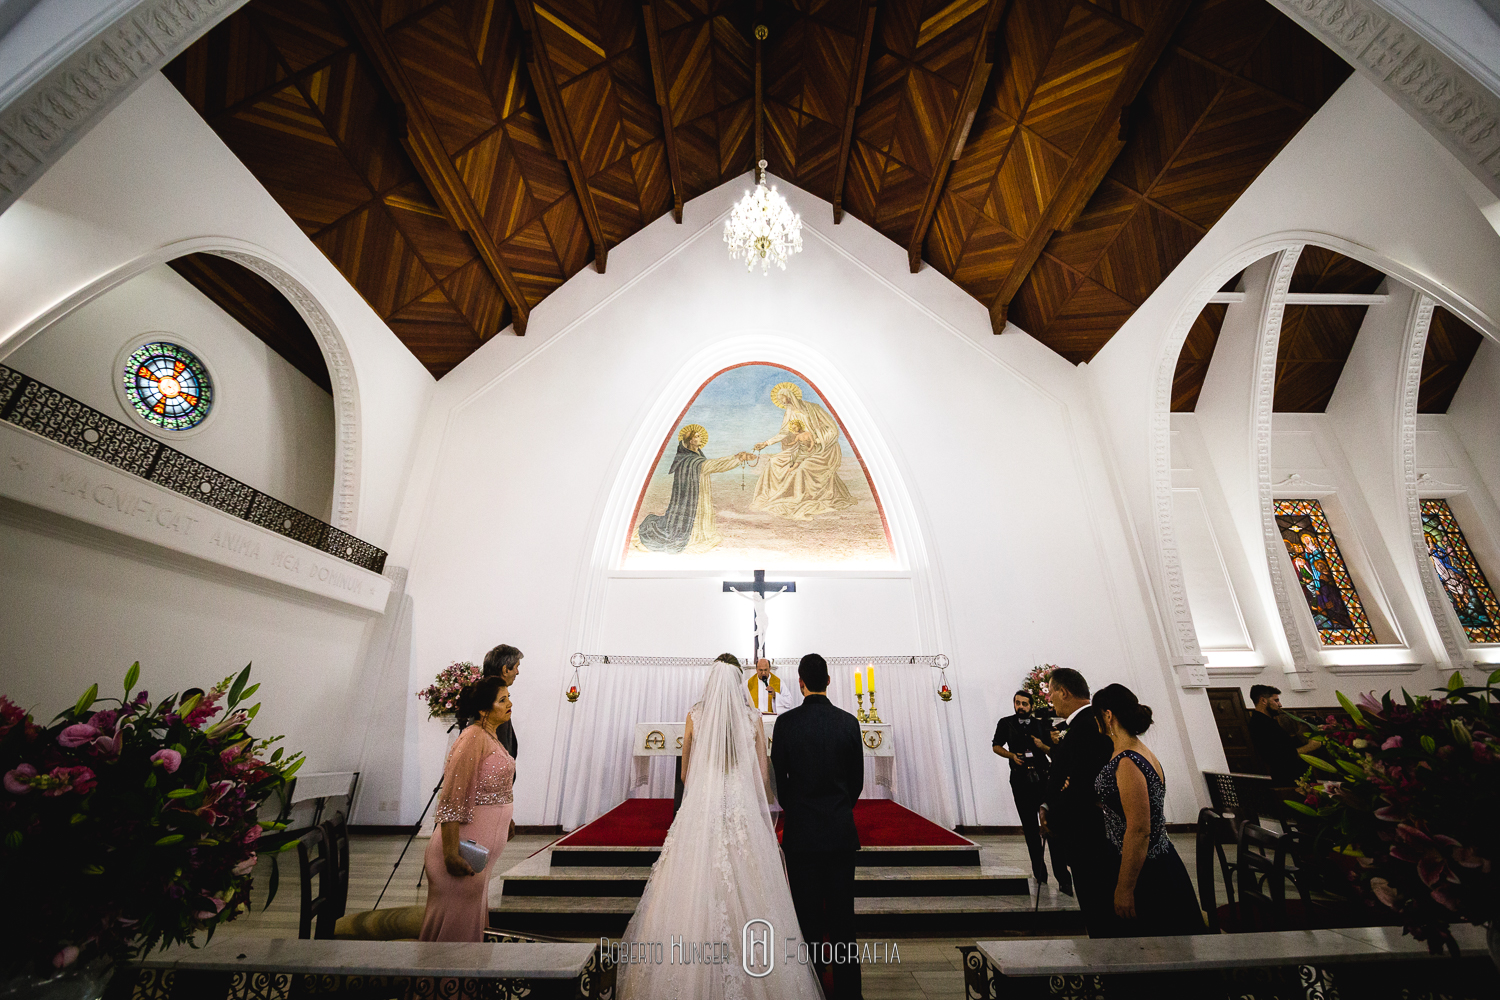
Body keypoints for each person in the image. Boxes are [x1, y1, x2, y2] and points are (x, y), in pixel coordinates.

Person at [617, 659, 821, 999]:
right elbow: (760, 777)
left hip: (704, 806)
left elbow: (685, 774)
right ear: (740, 683)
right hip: (740, 807)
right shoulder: (753, 717)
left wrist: (704, 785)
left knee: (693, 880)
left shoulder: (695, 715)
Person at [772, 653, 865, 999]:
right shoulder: (848, 722)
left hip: (802, 837)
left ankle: (810, 988)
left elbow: (779, 780)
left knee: (807, 921)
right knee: (843, 922)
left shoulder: (786, 724)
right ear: (828, 681)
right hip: (840, 834)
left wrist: (797, 808)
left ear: (799, 682)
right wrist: (838, 809)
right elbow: (856, 781)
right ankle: (849, 993)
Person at [1091, 683, 1204, 935]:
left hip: (1147, 869)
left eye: (1096, 714)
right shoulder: (1135, 751)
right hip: (1153, 858)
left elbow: (1140, 828)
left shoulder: (1127, 760)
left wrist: (1125, 887)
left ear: (1108, 715)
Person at [420, 676, 515, 942]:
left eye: (508, 697)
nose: (510, 703)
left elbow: (487, 786)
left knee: (469, 929)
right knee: (454, 936)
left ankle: (463, 982)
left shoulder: (489, 736)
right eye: (502, 699)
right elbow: (451, 798)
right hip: (459, 856)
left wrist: (506, 818)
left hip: (477, 856)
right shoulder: (472, 737)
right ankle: (442, 983)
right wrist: (451, 854)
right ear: (484, 710)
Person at [1039, 667, 1120, 938]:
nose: (1050, 699)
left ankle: (1106, 958)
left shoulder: (1086, 726)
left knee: (1097, 906)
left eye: (1051, 693)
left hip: (1087, 833)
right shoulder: (1081, 725)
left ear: (1064, 691)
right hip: (1082, 829)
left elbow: (1083, 784)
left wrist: (1054, 811)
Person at [636, 424, 755, 553]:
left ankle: (702, 534)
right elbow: (713, 465)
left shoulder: (695, 458)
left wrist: (735, 457)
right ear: (690, 441)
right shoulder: (690, 461)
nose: (700, 438)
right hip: (692, 497)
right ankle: (694, 537)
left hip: (699, 492)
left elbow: (711, 463)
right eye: (697, 436)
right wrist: (737, 459)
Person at [750, 381, 858, 520]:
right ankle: (779, 495)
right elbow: (784, 433)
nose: (783, 404)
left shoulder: (813, 408)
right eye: (781, 402)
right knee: (774, 461)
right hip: (800, 447)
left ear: (790, 397)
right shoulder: (789, 413)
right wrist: (765, 443)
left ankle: (800, 497)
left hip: (822, 449)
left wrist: (818, 441)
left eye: (784, 400)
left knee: (803, 468)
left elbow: (832, 429)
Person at [992, 690, 1066, 889]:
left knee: (1051, 826)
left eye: (1025, 704)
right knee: (1030, 828)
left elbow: (1054, 751)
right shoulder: (1005, 723)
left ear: (1031, 706)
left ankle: (1063, 878)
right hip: (1020, 780)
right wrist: (1011, 756)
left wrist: (1041, 745)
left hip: (1043, 779)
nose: (1021, 707)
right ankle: (1040, 874)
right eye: (1018, 703)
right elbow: (996, 746)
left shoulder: (1041, 724)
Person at [1247, 684, 1317, 786]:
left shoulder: (1269, 721)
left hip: (1295, 775)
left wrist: (1302, 732)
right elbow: (1279, 756)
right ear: (1263, 700)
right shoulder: (1259, 724)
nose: (1280, 705)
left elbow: (1286, 746)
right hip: (1288, 778)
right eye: (1276, 700)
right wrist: (1310, 746)